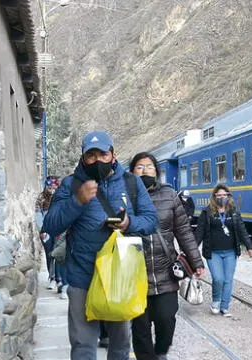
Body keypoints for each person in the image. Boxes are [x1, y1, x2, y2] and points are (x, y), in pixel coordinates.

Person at [42, 131, 158, 360]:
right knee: (83, 347)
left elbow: (151, 220)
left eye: (103, 154)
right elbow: (50, 225)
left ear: (113, 155)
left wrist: (128, 223)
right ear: (83, 158)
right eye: (91, 156)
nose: (98, 161)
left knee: (120, 347)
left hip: (120, 278)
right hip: (83, 277)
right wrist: (77, 201)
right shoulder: (71, 184)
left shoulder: (131, 183)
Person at [129, 152, 205, 360]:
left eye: (149, 167)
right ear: (131, 171)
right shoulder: (125, 195)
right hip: (135, 273)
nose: (145, 171)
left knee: (166, 318)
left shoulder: (170, 195)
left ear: (157, 171)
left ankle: (161, 351)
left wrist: (196, 261)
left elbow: (184, 231)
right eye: (140, 167)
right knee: (140, 326)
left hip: (166, 271)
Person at [196, 184, 252, 317]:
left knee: (228, 280)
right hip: (213, 252)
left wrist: (249, 246)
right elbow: (199, 232)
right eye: (219, 195)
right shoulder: (207, 212)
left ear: (228, 196)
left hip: (230, 252)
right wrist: (192, 251)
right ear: (214, 197)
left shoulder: (233, 211)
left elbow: (241, 229)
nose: (222, 197)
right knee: (218, 279)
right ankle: (216, 301)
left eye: (224, 195)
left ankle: (224, 306)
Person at [35, 176, 60, 290]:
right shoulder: (41, 198)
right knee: (50, 254)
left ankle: (60, 279)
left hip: (59, 229)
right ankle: (52, 278)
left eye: (53, 185)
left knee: (60, 253)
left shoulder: (61, 196)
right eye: (48, 185)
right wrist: (42, 230)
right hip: (47, 231)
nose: (51, 187)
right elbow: (38, 214)